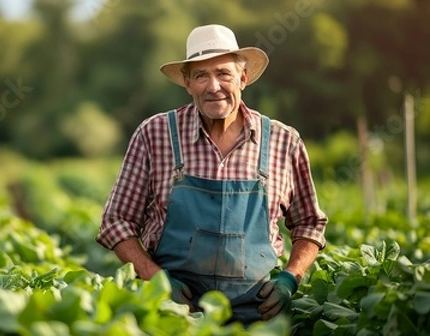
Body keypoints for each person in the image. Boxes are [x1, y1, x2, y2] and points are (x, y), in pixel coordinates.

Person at [96, 24, 327, 324]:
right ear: (187, 82)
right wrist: (156, 280)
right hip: (174, 312)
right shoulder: (155, 134)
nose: (213, 86)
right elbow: (116, 222)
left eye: (223, 74)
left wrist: (290, 278)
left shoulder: (284, 142)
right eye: (201, 76)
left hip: (258, 315)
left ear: (243, 78)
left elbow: (310, 223)